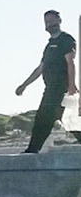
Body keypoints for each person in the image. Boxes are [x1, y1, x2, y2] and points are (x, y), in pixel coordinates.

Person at [16, 9, 78, 153]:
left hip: (61, 88)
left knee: (43, 118)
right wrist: (24, 85)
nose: (49, 24)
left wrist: (71, 86)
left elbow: (70, 62)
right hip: (51, 87)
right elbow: (40, 69)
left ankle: (32, 150)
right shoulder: (49, 46)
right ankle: (32, 149)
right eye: (46, 22)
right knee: (68, 120)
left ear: (59, 21)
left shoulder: (66, 40)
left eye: (51, 20)